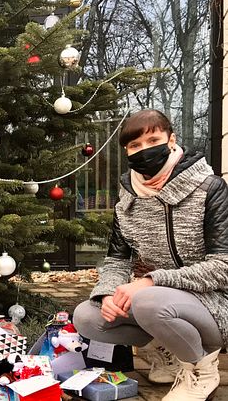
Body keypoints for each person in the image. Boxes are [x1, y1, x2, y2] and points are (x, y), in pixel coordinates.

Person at [73, 109, 228, 401]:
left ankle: (201, 370)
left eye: (153, 139)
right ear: (127, 151)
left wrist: (151, 281)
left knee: (145, 300)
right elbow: (117, 260)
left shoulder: (211, 188)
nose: (144, 150)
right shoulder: (127, 199)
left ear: (171, 140)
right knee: (87, 317)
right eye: (135, 145)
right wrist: (106, 295)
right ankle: (168, 353)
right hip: (161, 299)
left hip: (217, 301)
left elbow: (223, 267)